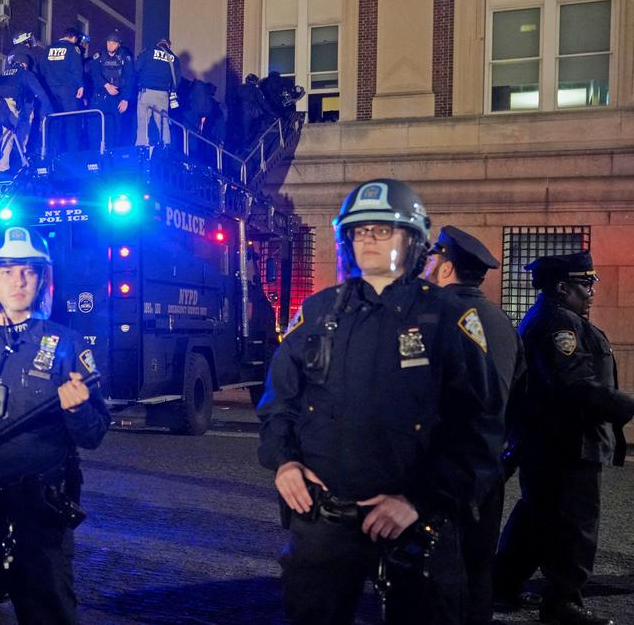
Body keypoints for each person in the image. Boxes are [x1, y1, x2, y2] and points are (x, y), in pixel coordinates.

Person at [256, 179, 504, 625]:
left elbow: (480, 428)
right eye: (360, 230)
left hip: (415, 522)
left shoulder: (447, 318)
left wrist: (419, 501)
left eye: (383, 229)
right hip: (323, 520)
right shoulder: (316, 313)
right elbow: (278, 404)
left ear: (412, 240)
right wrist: (285, 462)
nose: (369, 239)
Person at [0, 226, 109, 625]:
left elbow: (95, 434)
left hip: (40, 515)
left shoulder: (68, 345)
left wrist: (78, 409)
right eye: (6, 271)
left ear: (42, 278)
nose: (18, 280)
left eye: (28, 271)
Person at [492, 252, 633, 625]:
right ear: (561, 287)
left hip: (553, 441)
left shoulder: (556, 318)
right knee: (575, 526)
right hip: (566, 442)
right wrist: (626, 407)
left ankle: (502, 585)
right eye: (585, 285)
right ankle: (562, 602)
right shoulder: (558, 324)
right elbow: (575, 384)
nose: (591, 293)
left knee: (538, 518)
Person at [421, 226, 526, 625]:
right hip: (487, 471)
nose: (427, 267)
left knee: (432, 576)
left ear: (446, 268)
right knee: (478, 572)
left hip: (436, 472)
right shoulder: (502, 322)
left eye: (432, 260)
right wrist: (503, 460)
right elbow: (520, 400)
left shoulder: (427, 316)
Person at [0, 53, 51, 173]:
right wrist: (49, 110)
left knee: (5, 133)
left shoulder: (4, 73)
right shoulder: (25, 73)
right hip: (10, 104)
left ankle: (7, 162)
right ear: (25, 64)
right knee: (11, 133)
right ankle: (7, 164)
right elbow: (40, 92)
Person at [42, 27, 86, 152]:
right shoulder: (73, 49)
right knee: (72, 120)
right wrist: (80, 85)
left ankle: (52, 152)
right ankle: (72, 152)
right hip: (67, 89)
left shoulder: (48, 49)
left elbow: (43, 68)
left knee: (54, 120)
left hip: (50, 90)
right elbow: (77, 69)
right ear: (74, 38)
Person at [89, 30, 135, 149]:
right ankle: (96, 152)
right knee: (96, 126)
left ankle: (112, 153)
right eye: (109, 42)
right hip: (100, 96)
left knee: (115, 127)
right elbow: (94, 74)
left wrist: (125, 99)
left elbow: (129, 78)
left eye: (113, 43)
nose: (110, 45)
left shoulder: (125, 57)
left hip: (117, 98)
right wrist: (106, 85)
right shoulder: (98, 56)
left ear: (118, 44)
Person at [134, 38, 182, 147]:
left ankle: (142, 147)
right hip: (163, 95)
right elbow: (177, 79)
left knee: (143, 121)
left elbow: (137, 67)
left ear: (158, 44)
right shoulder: (173, 58)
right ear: (168, 46)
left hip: (146, 92)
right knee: (163, 122)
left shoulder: (149, 51)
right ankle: (166, 145)